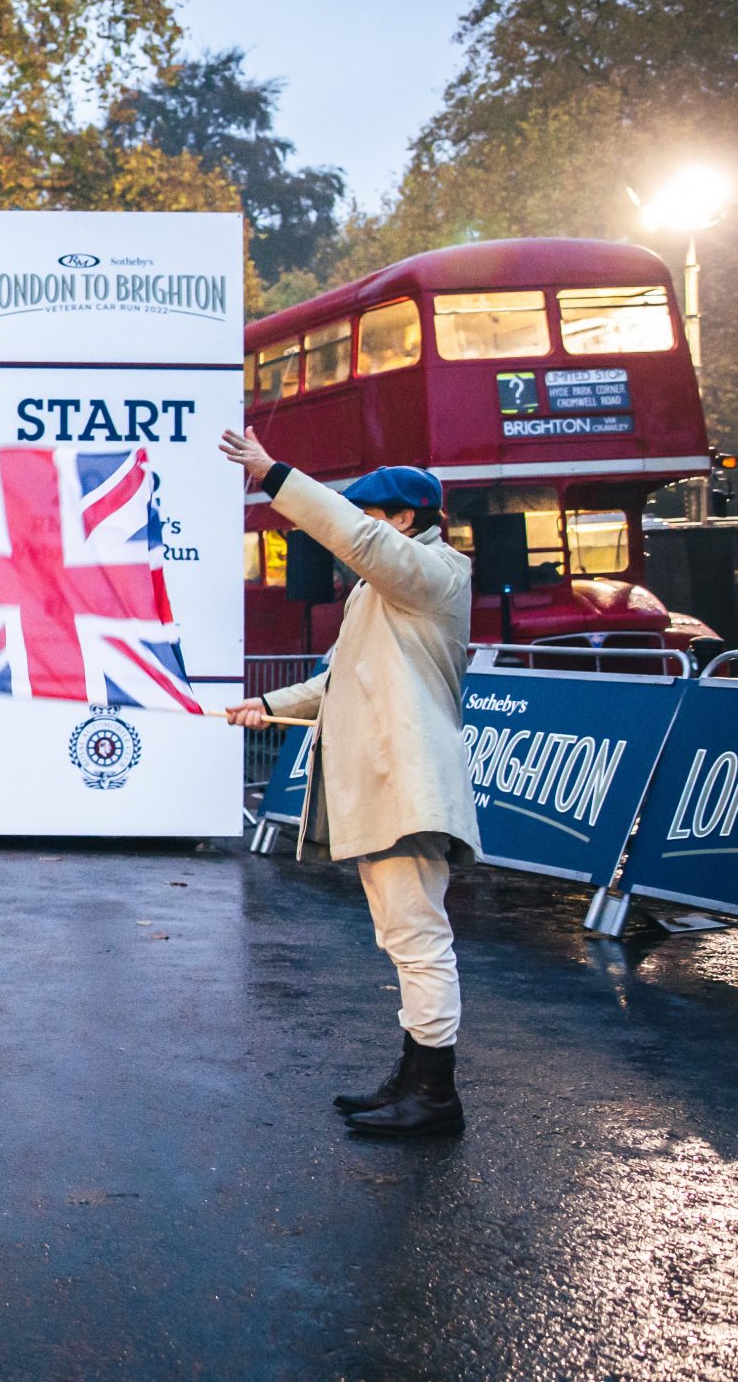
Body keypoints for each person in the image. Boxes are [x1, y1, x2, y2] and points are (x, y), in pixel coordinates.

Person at [221, 430, 478, 1139]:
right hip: (390, 786)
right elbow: (333, 682)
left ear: (402, 520)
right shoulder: (381, 590)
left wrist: (275, 474)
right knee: (404, 937)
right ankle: (416, 1077)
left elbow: (359, 541)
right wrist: (266, 707)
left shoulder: (434, 572)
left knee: (417, 938)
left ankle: (434, 1092)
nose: (352, 531)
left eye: (369, 514)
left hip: (407, 786)